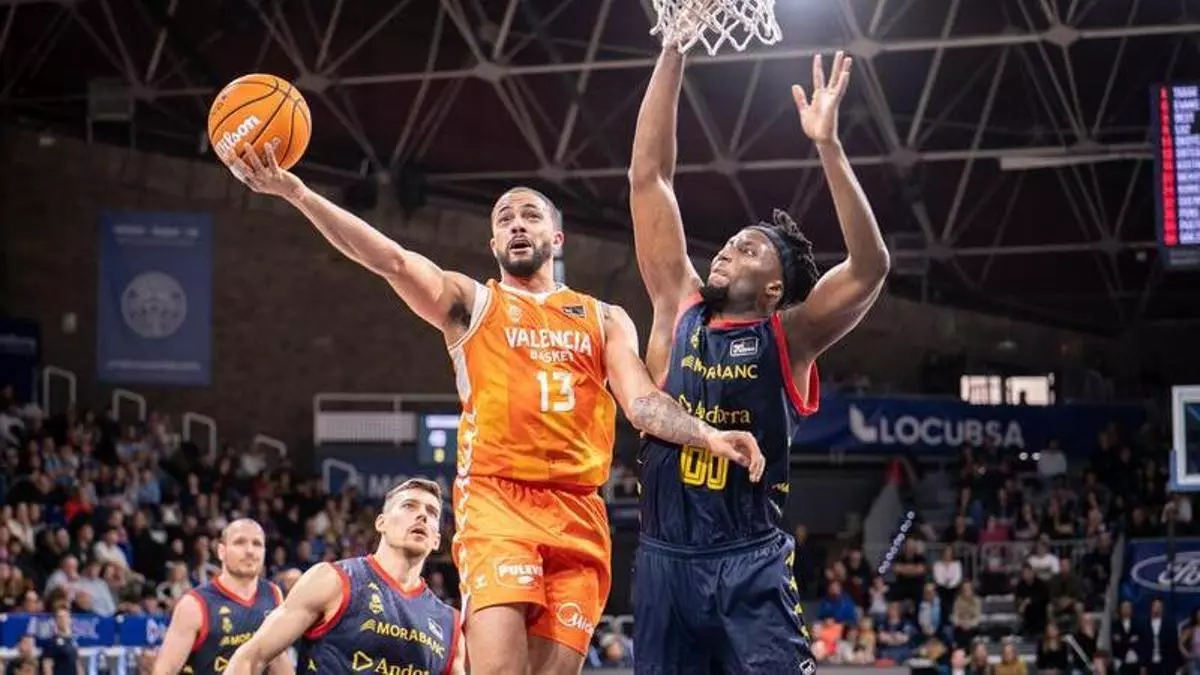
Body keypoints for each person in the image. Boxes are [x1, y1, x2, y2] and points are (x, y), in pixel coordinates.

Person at [228, 139, 764, 674]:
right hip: (498, 502)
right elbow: (390, 259)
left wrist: (707, 434)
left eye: (530, 215)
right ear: (493, 242)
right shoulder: (474, 303)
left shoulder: (604, 317)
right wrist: (297, 192)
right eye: (504, 218)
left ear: (556, 237)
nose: (516, 224)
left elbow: (642, 403)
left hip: (579, 511)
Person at [627, 43, 889, 672]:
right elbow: (648, 177)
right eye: (730, 243)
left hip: (748, 564)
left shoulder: (789, 336)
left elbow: (870, 268)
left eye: (749, 250)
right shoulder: (677, 305)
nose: (728, 250)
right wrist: (673, 49)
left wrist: (828, 145)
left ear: (773, 289)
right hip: (663, 560)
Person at [225, 479, 464, 674]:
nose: (422, 515)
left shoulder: (449, 624)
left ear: (436, 540)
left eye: (432, 512)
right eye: (409, 506)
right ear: (381, 523)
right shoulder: (333, 580)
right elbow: (250, 657)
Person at [152, 519, 290, 675]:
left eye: (257, 544)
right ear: (221, 551)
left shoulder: (273, 594)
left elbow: (278, 658)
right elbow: (164, 670)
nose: (250, 550)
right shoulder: (194, 605)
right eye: (239, 542)